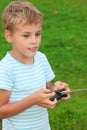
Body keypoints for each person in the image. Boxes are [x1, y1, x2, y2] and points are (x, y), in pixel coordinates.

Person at [0, 1, 70, 130]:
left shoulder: (41, 58)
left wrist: (58, 91)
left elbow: (47, 89)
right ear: (9, 36)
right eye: (26, 35)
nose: (34, 41)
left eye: (37, 34)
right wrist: (31, 100)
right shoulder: (5, 69)